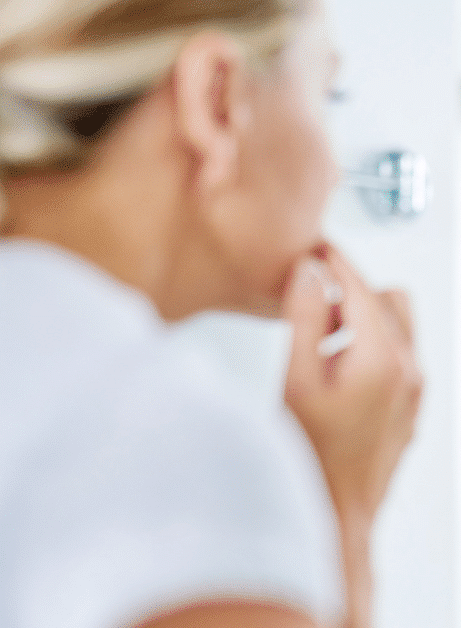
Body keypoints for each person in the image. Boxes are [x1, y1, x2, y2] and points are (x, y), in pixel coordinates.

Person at [0, 1, 422, 627]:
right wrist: (338, 511)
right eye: (326, 96)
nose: (335, 173)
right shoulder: (167, 447)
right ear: (216, 100)